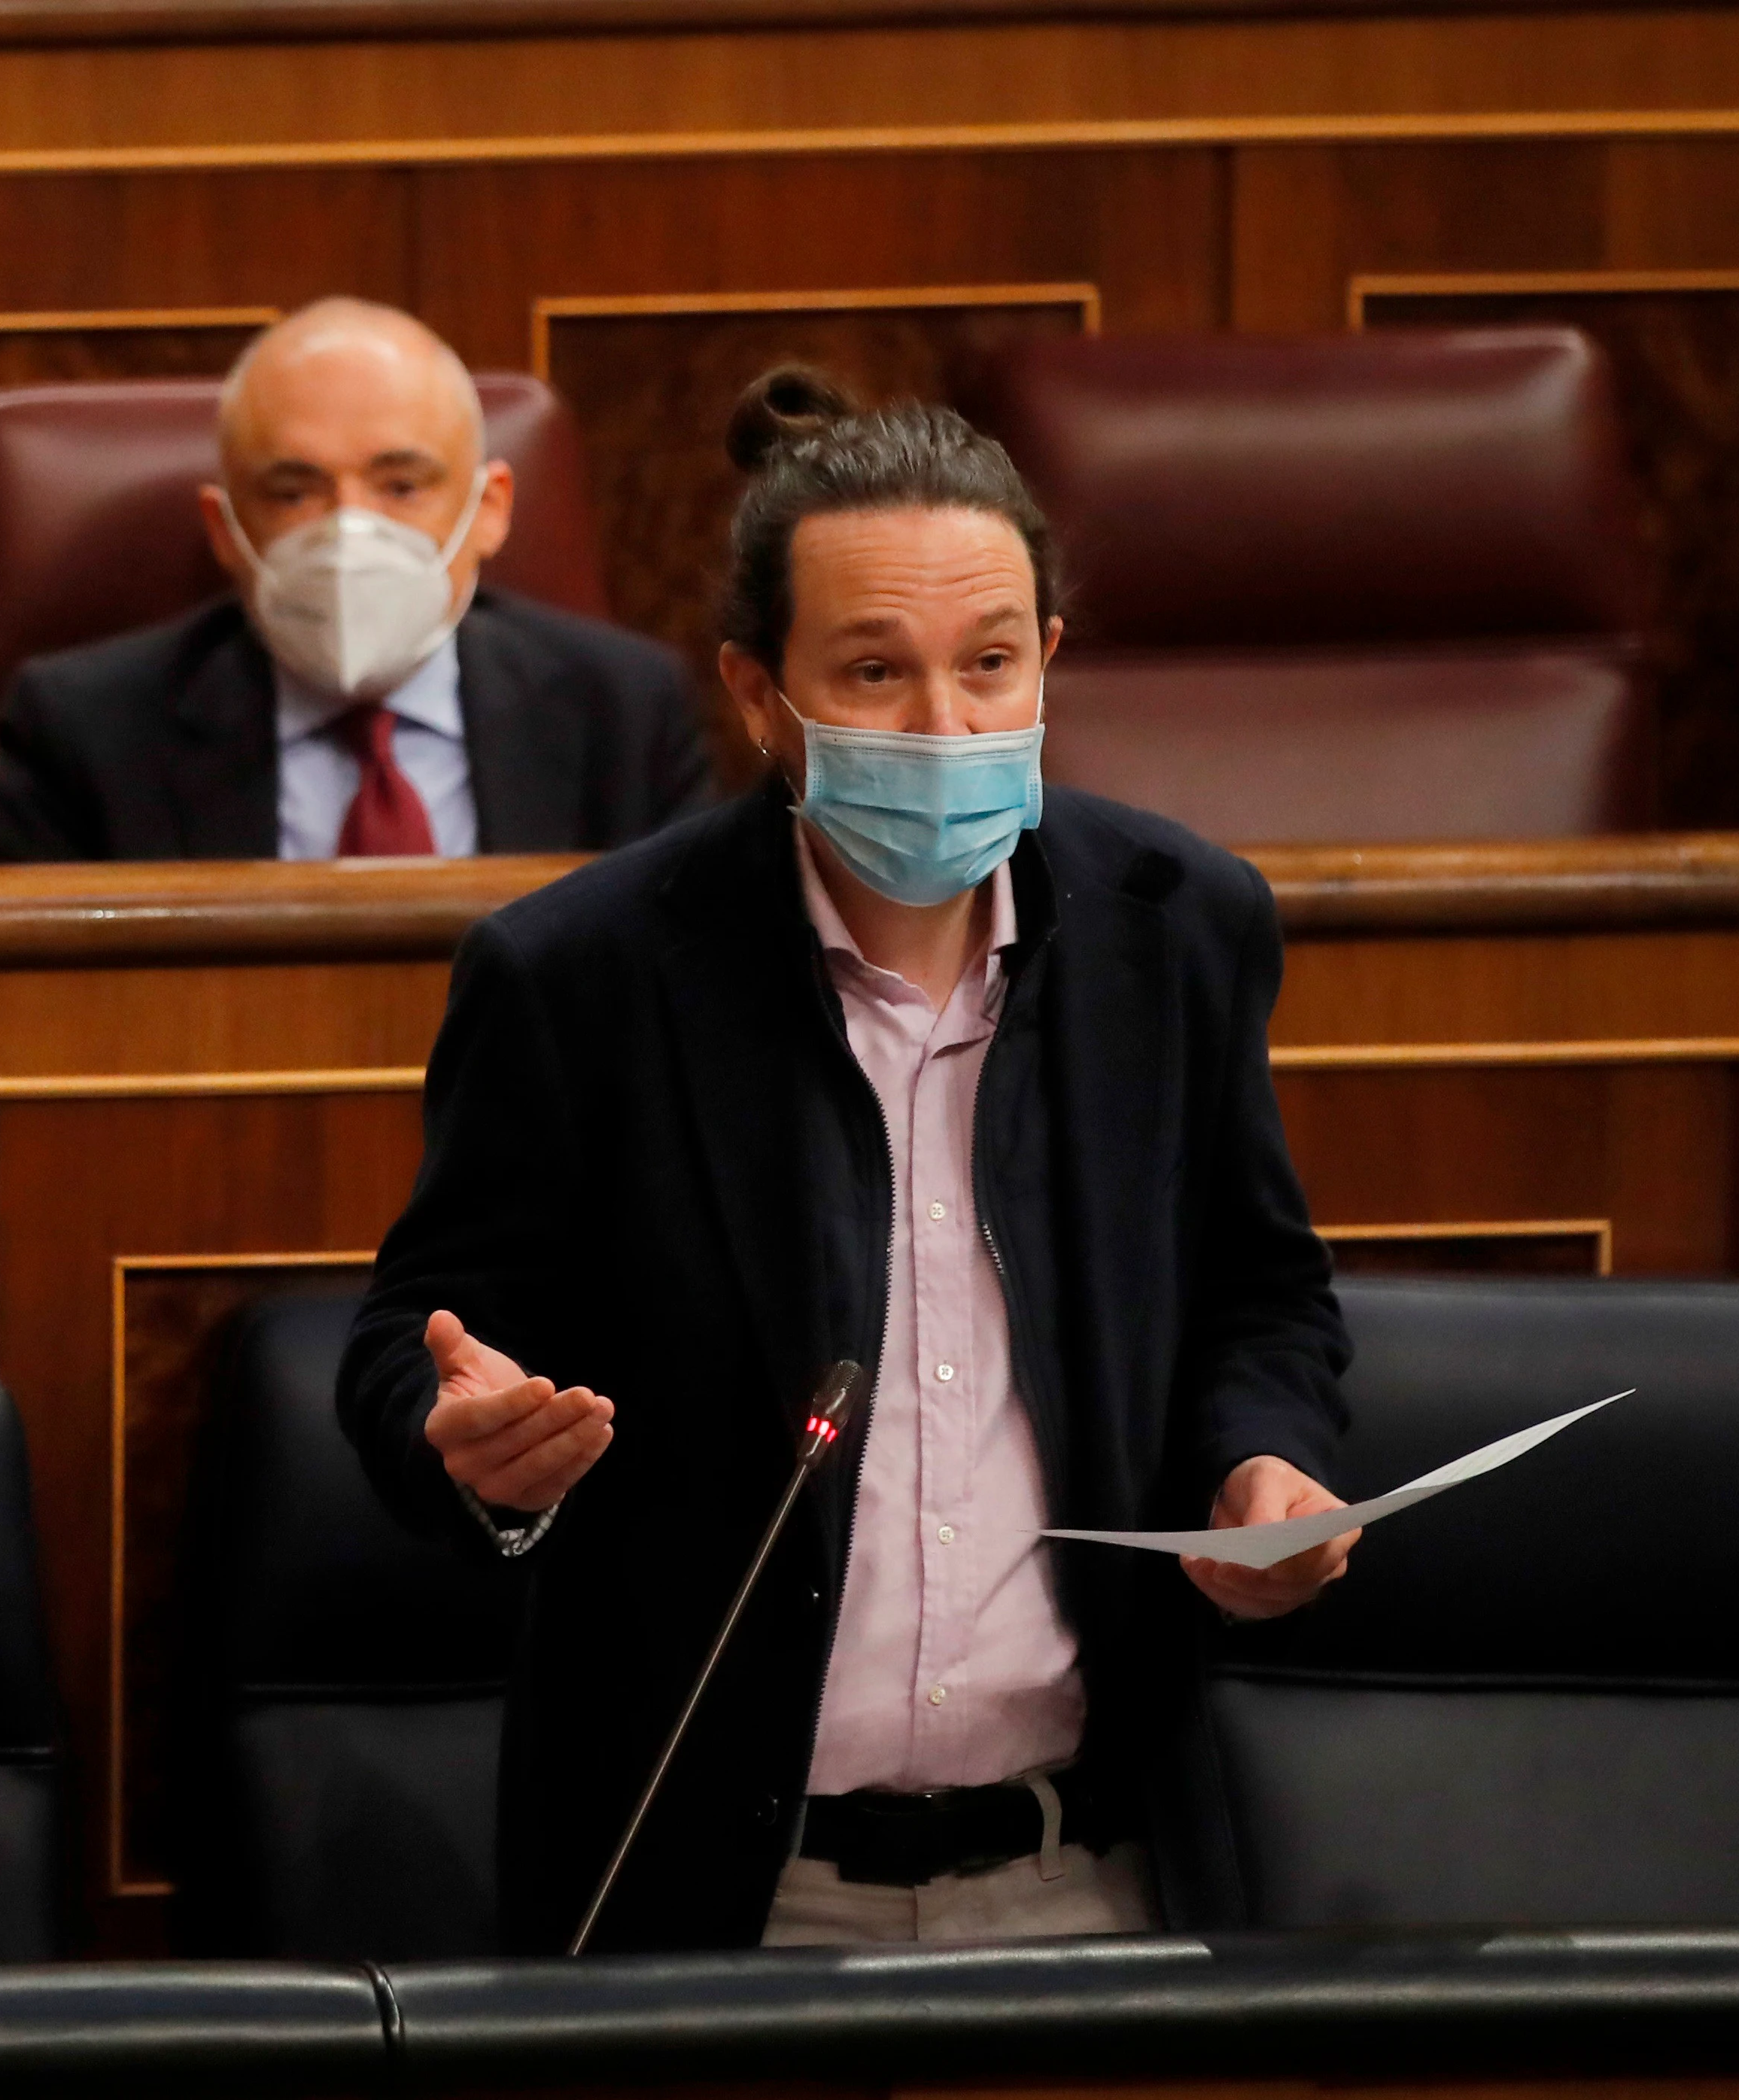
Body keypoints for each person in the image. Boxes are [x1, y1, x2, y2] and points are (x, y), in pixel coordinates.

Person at [336, 367, 1357, 1955]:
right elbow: (411, 1341)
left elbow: (1256, 1295)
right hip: (728, 1898)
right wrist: (453, 1430)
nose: (942, 725)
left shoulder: (1177, 931)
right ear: (758, 693)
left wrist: (1260, 1457)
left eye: (988, 664)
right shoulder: (583, 977)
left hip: (1088, 1872)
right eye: (873, 671)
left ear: (1048, 666)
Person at [0, 297, 708, 864]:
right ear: (226, 531)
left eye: (401, 485)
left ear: (489, 511)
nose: (349, 528)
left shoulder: (624, 712)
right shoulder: (85, 732)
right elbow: (7, 1009)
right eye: (294, 493)